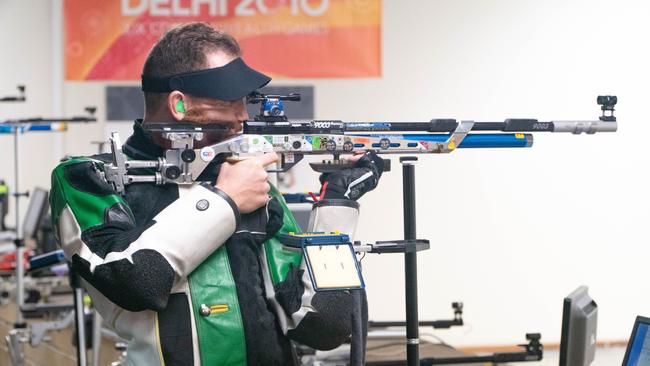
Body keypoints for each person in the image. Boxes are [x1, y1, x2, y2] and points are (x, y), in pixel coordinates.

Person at [50, 22, 383, 366]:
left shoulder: (249, 184)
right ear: (179, 104)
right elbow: (136, 281)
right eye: (228, 99)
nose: (242, 115)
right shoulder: (87, 178)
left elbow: (323, 325)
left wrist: (337, 203)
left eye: (244, 101)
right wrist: (225, 201)